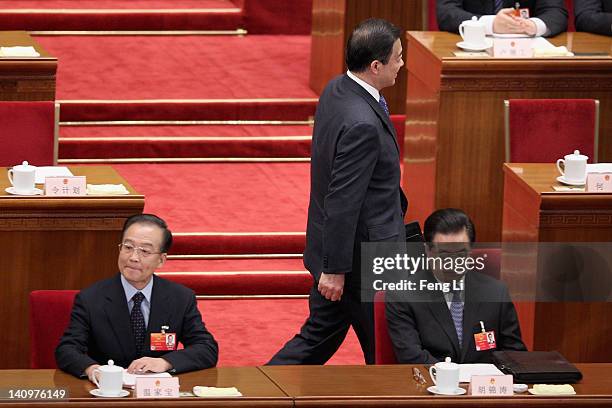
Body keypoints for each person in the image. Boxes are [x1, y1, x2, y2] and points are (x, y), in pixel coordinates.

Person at [267, 18, 408, 365]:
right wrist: (335, 269)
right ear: (376, 66)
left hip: (342, 251)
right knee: (388, 351)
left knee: (317, 339)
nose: (402, 65)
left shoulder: (338, 88)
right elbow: (344, 199)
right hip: (362, 264)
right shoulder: (362, 123)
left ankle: (261, 390)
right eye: (398, 58)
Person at [56, 214, 218, 380]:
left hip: (157, 393)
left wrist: (165, 362)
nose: (133, 257)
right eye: (128, 247)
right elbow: (67, 349)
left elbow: (206, 348)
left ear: (161, 260)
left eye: (145, 251)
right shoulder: (91, 298)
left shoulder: (180, 298)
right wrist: (92, 369)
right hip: (108, 393)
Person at [385, 208, 526, 364]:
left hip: (484, 383)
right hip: (431, 384)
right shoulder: (403, 295)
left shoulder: (496, 292)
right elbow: (411, 356)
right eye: (444, 253)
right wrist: (453, 378)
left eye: (460, 252)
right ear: (428, 250)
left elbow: (514, 355)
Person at [437, 0, 568, 37]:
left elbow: (556, 12)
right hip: (472, 50)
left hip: (525, 55)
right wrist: (491, 24)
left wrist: (533, 25)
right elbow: (446, 12)